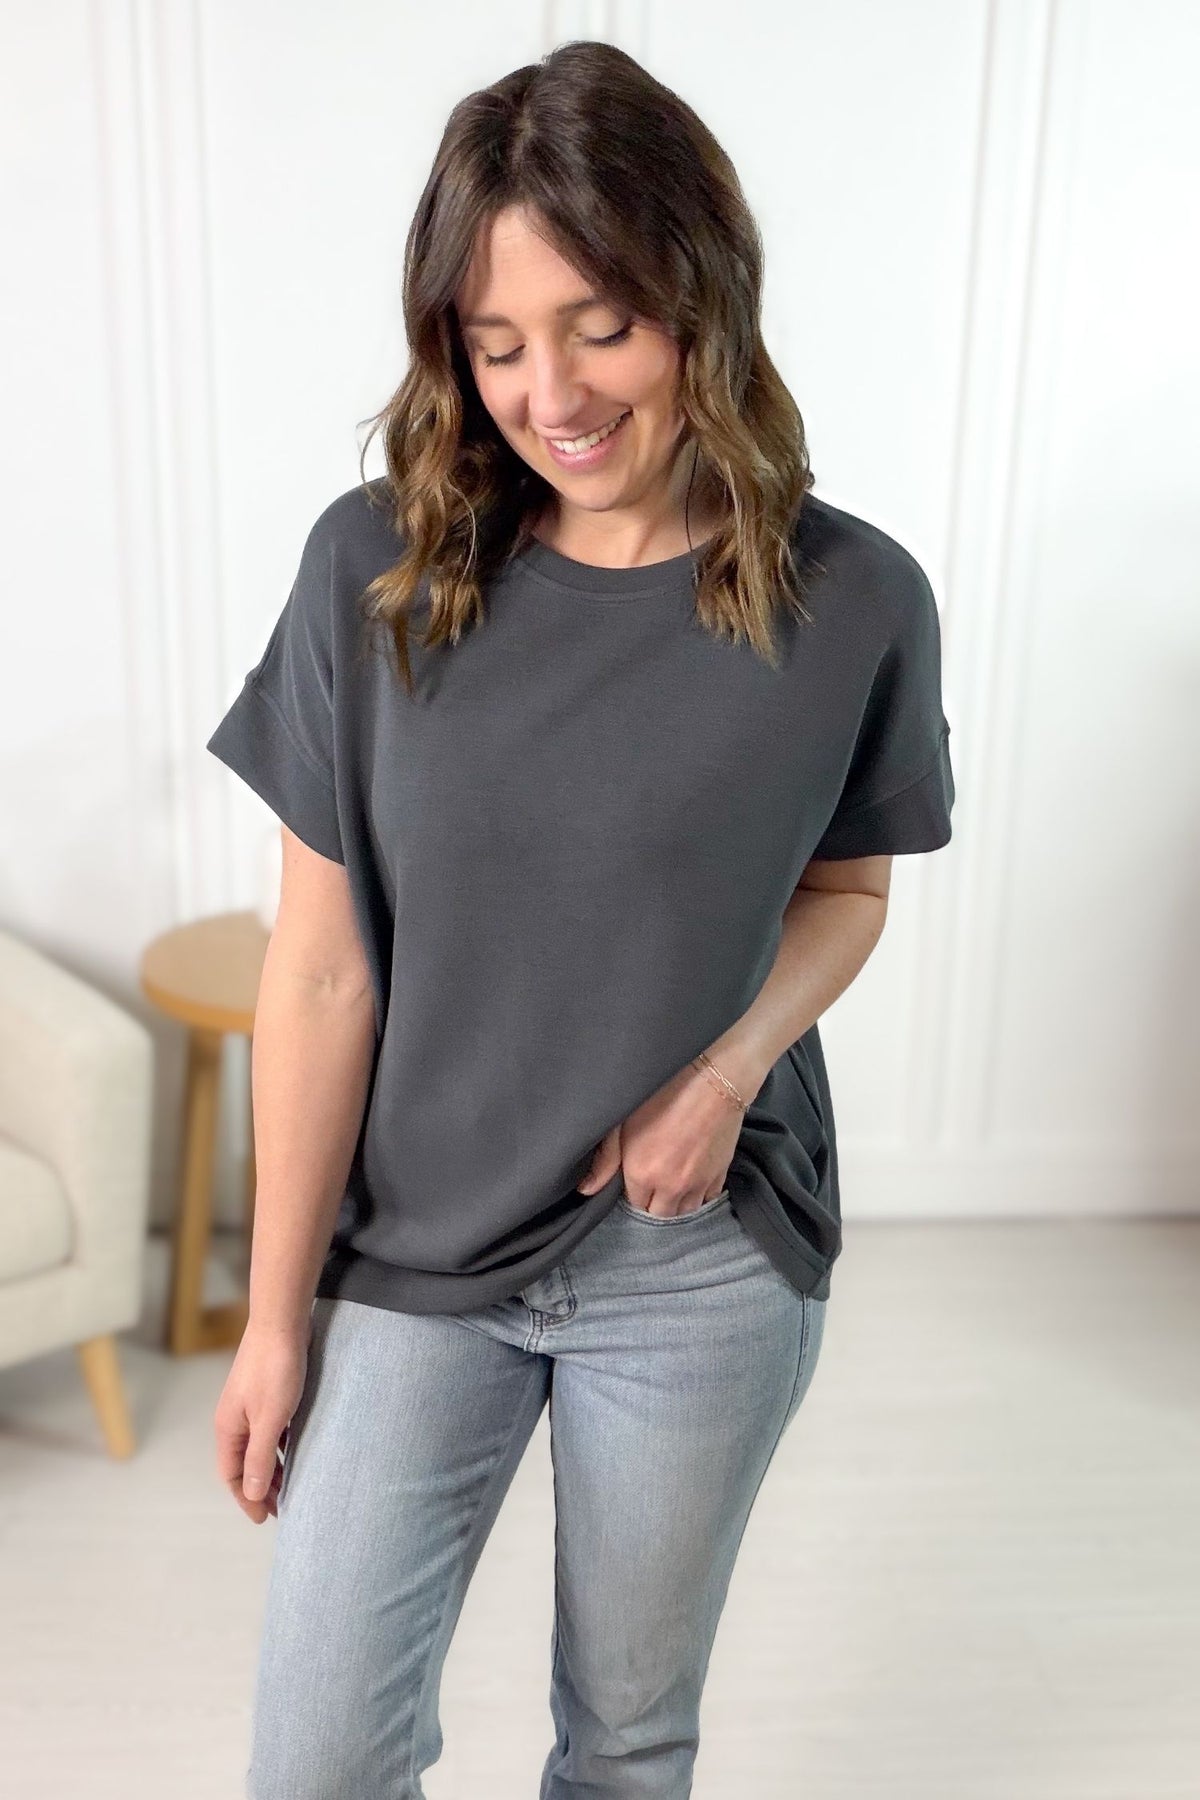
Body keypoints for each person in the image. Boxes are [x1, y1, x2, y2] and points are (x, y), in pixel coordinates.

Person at [208, 38, 955, 1800]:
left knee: (625, 1744)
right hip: (422, 1242)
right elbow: (318, 970)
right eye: (495, 341)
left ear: (701, 294)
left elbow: (849, 892)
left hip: (692, 1260)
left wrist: (731, 1065)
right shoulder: (373, 571)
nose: (551, 389)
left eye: (600, 323)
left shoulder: (855, 602)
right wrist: (273, 1311)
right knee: (315, 1756)